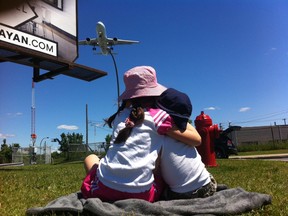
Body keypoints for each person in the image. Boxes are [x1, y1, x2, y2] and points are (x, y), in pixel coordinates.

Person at [155, 88, 217, 200]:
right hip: (208, 186)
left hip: (181, 195)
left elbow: (155, 169)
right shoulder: (184, 129)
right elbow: (198, 140)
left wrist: (165, 129)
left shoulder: (159, 136)